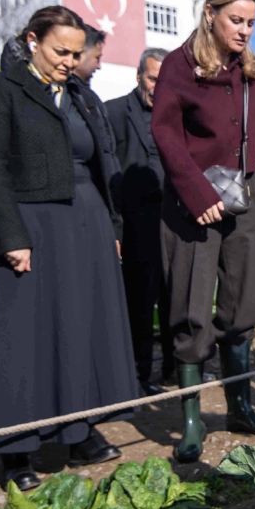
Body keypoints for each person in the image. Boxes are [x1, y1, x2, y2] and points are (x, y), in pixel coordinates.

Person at [0, 6, 135, 490]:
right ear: (32, 41)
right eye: (60, 51)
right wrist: (11, 236)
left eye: (76, 53)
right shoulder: (1, 88)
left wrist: (114, 227)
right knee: (23, 337)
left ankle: (77, 431)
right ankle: (15, 450)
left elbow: (104, 162)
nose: (69, 61)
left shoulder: (81, 95)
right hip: (32, 226)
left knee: (78, 329)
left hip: (86, 224)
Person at [151, 0, 255, 463]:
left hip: (244, 203)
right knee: (190, 309)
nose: (245, 30)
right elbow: (165, 134)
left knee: (242, 306)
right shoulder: (178, 66)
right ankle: (192, 422)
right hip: (192, 205)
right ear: (210, 13)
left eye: (251, 22)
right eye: (236, 20)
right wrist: (196, 193)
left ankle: (241, 408)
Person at [106, 48, 176, 396]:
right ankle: (139, 375)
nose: (158, 87)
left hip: (173, 219)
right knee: (140, 301)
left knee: (175, 295)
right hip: (135, 222)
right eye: (152, 78)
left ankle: (176, 369)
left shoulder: (177, 115)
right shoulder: (114, 112)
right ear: (138, 76)